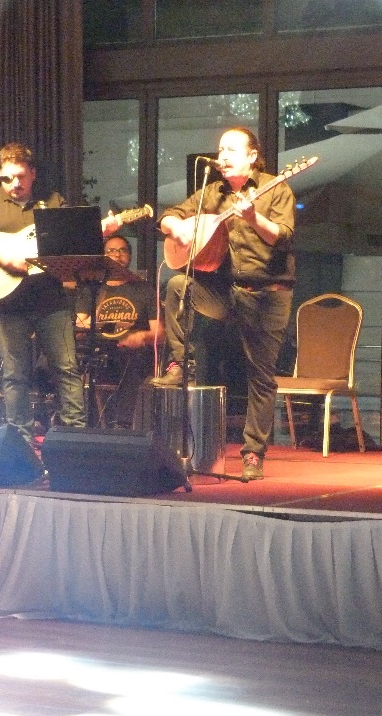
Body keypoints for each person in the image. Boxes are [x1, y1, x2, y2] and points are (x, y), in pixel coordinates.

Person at [0, 142, 120, 446]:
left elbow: (72, 240)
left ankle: (74, 437)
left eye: (21, 176)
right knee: (15, 374)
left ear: (32, 173)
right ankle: (20, 442)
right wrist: (2, 257)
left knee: (67, 368)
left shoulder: (52, 202)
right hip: (7, 302)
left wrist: (100, 230)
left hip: (50, 299)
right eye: (8, 178)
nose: (15, 184)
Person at [152, 127, 295, 480]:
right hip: (225, 290)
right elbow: (168, 214)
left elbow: (282, 236)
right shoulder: (212, 193)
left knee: (260, 376)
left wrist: (253, 218)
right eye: (220, 150)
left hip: (266, 293)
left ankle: (253, 453)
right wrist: (175, 227)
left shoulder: (276, 188)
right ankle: (181, 365)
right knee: (178, 284)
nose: (223, 156)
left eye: (232, 149)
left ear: (252, 156)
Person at [74, 235, 162, 428]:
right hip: (97, 348)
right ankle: (73, 421)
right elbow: (79, 328)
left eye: (122, 250)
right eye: (111, 251)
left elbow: (159, 333)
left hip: (128, 351)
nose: (117, 255)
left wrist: (142, 336)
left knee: (134, 358)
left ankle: (122, 425)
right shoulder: (93, 289)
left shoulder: (143, 289)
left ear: (130, 256)